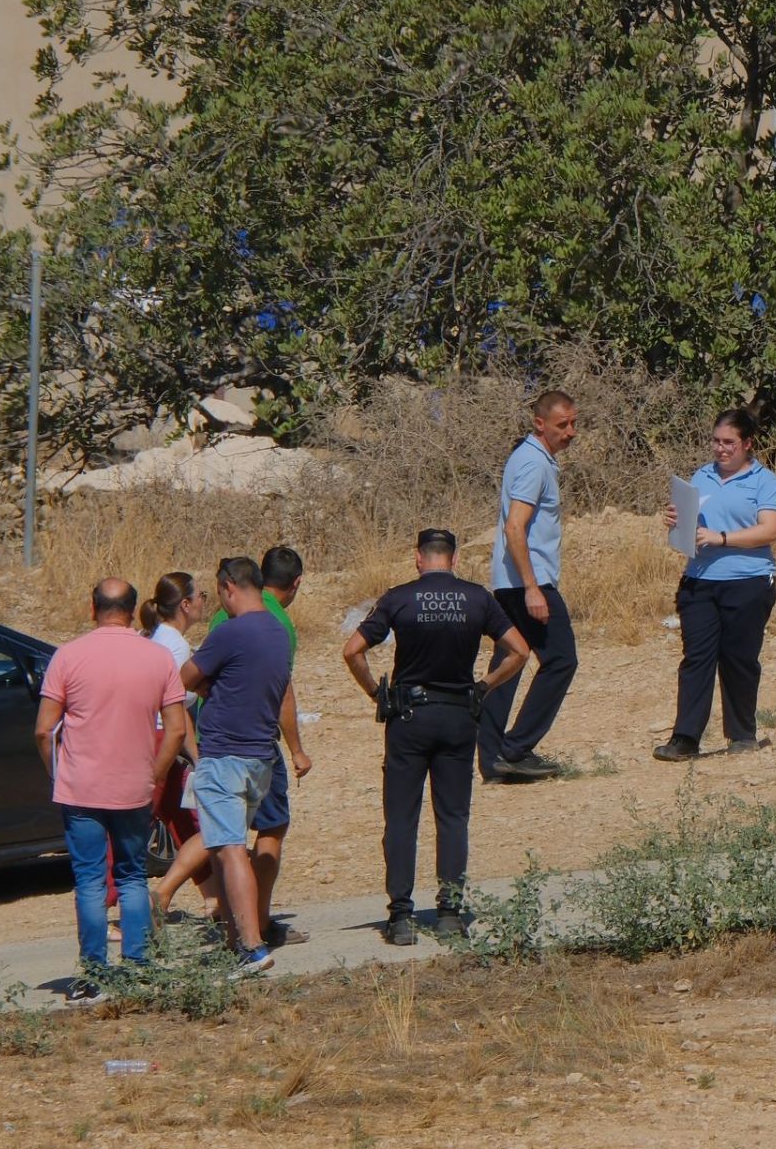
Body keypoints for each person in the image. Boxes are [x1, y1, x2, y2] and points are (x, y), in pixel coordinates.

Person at [342, 529, 531, 945]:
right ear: (455, 559)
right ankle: (449, 912)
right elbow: (519, 650)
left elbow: (352, 650)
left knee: (402, 818)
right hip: (459, 715)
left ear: (418, 558)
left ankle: (400, 916)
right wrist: (485, 686)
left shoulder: (398, 598)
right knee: (452, 816)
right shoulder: (478, 598)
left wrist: (377, 693)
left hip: (409, 717)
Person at [33, 578, 189, 1001]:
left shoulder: (68, 656)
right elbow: (176, 730)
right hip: (133, 787)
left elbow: (44, 729)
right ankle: (137, 967)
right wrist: (154, 775)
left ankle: (94, 975)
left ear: (92, 607)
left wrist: (57, 774)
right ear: (135, 609)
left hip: (80, 788)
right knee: (133, 876)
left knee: (89, 881)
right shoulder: (157, 658)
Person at [181, 557, 310, 973]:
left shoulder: (229, 632)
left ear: (228, 587)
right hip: (260, 757)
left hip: (223, 756)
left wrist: (206, 682)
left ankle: (251, 947)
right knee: (228, 849)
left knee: (231, 849)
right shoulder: (278, 631)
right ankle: (235, 939)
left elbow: (184, 676)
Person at [654, 408, 776, 761]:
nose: (721, 448)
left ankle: (742, 734)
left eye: (729, 442)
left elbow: (769, 530)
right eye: (716, 441)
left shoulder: (764, 481)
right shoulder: (701, 476)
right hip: (699, 581)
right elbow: (688, 532)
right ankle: (685, 738)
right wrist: (674, 522)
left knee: (739, 658)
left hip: (749, 580)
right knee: (696, 658)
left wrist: (722, 537)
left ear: (747, 444)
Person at [479, 389, 580, 781]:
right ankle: (515, 749)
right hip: (527, 582)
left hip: (511, 582)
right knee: (561, 660)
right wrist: (533, 588)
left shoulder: (529, 458)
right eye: (562, 425)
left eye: (573, 423)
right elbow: (515, 526)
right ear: (540, 424)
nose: (570, 432)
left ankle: (492, 762)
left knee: (510, 662)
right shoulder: (534, 465)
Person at [140, 572, 223, 922]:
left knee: (185, 821)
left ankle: (213, 900)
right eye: (201, 595)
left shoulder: (160, 639)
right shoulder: (175, 647)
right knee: (142, 822)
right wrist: (196, 755)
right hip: (163, 742)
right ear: (186, 605)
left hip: (164, 741)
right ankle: (117, 909)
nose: (205, 600)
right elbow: (176, 712)